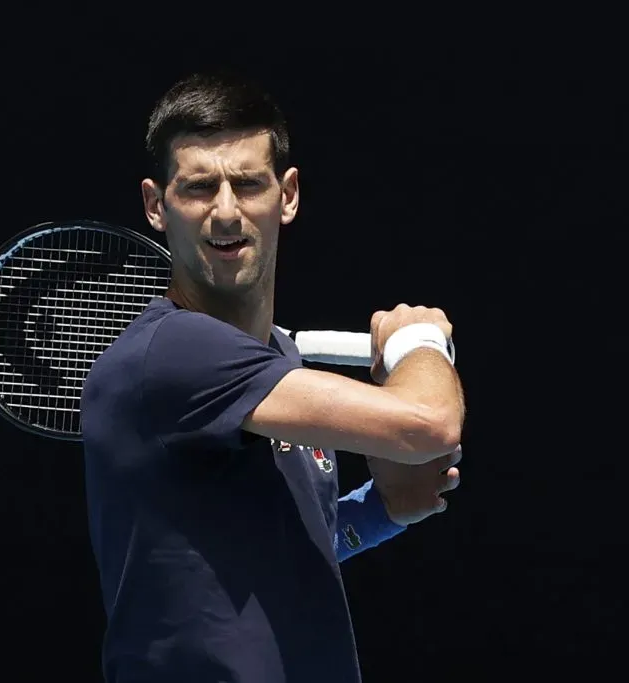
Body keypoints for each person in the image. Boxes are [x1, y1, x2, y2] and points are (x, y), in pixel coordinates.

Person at [81, 71, 466, 683]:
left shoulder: (277, 362)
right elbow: (431, 423)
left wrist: (384, 511)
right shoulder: (176, 351)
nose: (227, 211)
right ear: (157, 205)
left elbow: (286, 548)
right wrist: (419, 339)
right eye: (200, 187)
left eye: (248, 183)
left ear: (286, 195)